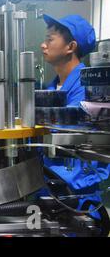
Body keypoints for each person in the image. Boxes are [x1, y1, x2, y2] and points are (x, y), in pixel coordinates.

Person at [40, 14, 109, 218]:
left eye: (50, 39)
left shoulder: (90, 88)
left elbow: (68, 133)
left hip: (77, 196)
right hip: (49, 189)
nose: (43, 45)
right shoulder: (52, 87)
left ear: (70, 46)